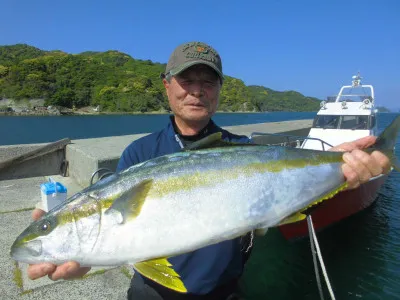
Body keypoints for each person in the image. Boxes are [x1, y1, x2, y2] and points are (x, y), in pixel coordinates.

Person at [27, 41, 391, 299]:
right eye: (187, 81)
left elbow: (287, 205)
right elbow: (121, 239)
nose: (196, 92)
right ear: (167, 86)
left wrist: (342, 168)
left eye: (208, 82)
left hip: (226, 291)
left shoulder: (243, 150)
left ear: (218, 89)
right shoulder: (140, 154)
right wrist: (84, 263)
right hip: (151, 294)